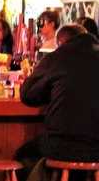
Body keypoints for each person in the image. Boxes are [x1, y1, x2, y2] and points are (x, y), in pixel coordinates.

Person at [16, 23, 99, 162]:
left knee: (23, 155)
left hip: (63, 146)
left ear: (60, 42)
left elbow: (27, 93)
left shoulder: (56, 58)